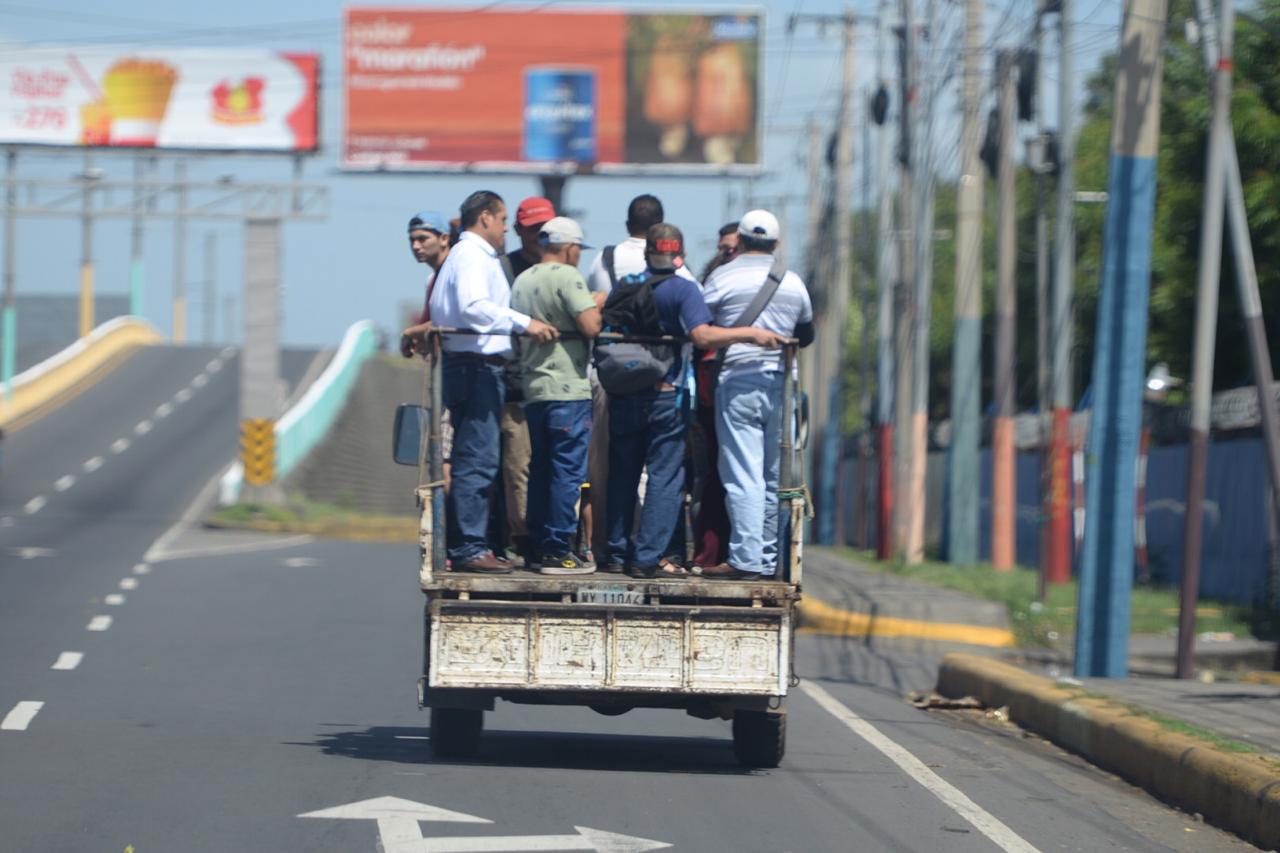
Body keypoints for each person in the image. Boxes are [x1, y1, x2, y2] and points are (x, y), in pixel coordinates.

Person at [601, 223, 786, 578]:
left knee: (622, 474)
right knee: (665, 477)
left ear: (646, 252)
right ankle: (646, 558)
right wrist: (751, 334)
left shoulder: (625, 286)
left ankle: (615, 551)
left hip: (624, 393)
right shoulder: (684, 290)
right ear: (680, 254)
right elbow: (701, 335)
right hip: (667, 395)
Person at [428, 190, 558, 574]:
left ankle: (473, 542)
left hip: (473, 365)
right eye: (502, 221)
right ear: (485, 218)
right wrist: (524, 323)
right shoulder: (471, 255)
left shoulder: (467, 255)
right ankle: (470, 546)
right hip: (476, 365)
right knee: (477, 461)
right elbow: (472, 306)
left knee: (479, 458)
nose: (505, 231)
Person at [700, 210, 815, 580]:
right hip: (782, 383)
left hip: (739, 382)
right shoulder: (793, 282)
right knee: (769, 476)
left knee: (741, 473)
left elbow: (700, 325)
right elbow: (807, 333)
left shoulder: (721, 277)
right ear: (776, 244)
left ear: (741, 241)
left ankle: (747, 559)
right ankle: (766, 559)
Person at [510, 216, 606, 574]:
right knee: (567, 470)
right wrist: (598, 304)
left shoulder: (523, 279)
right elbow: (590, 325)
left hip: (535, 387)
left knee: (541, 468)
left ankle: (536, 545)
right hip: (568, 387)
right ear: (569, 247)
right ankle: (557, 547)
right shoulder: (568, 276)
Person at [497, 197, 555, 561]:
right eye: (534, 229)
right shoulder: (504, 270)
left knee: (561, 467)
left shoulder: (564, 268)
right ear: (519, 231)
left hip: (559, 386)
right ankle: (523, 539)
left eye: (546, 229)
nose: (540, 236)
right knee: (520, 466)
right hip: (517, 387)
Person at [399, 210, 451, 356]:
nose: (415, 246)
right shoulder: (432, 280)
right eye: (412, 240)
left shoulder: (455, 274)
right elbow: (427, 322)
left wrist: (409, 333)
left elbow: (450, 320)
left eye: (422, 239)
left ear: (444, 239)